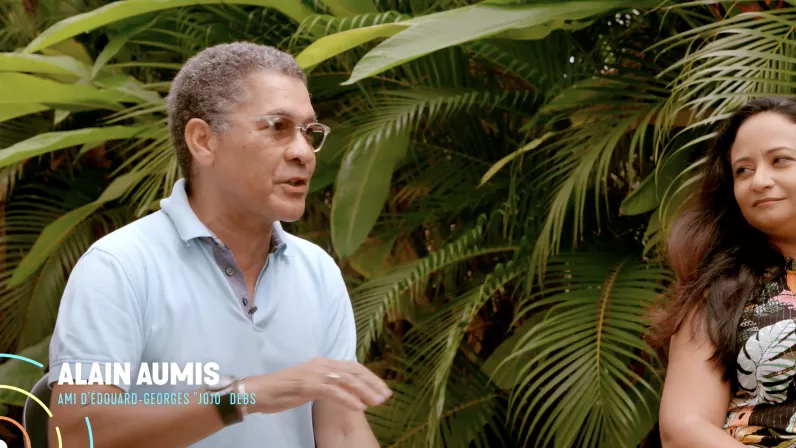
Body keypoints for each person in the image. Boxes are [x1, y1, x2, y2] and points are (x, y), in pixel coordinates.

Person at [47, 42, 391, 448]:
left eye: (308, 132)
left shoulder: (318, 272)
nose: (303, 152)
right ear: (203, 141)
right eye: (277, 127)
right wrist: (240, 398)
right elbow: (75, 434)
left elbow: (344, 430)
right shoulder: (118, 267)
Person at [653, 96, 796, 447]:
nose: (759, 181)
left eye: (779, 160)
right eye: (742, 170)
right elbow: (683, 427)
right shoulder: (721, 294)